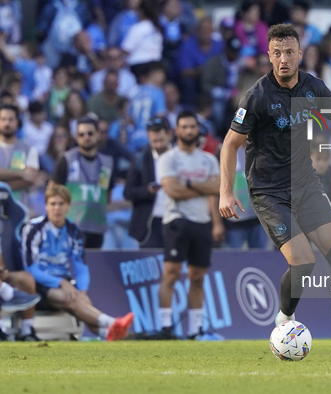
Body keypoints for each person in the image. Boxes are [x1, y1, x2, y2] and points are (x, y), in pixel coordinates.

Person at [219, 24, 331, 359]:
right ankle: (285, 318)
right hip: (269, 191)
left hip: (306, 183)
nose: (284, 59)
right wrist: (225, 193)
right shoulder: (257, 97)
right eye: (277, 53)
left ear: (300, 54)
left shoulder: (313, 87)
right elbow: (230, 145)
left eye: (290, 52)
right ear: (269, 56)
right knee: (303, 262)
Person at [21, 185, 133, 340]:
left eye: (61, 204)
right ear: (46, 206)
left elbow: (80, 266)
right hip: (39, 283)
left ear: (68, 206)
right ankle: (113, 322)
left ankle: (107, 333)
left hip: (64, 281)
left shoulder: (74, 230)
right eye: (53, 204)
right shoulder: (33, 228)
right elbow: (31, 269)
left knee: (81, 300)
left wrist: (82, 290)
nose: (57, 208)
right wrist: (60, 282)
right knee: (70, 298)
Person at [156, 110, 221, 339]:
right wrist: (203, 185)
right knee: (171, 274)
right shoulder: (169, 158)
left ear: (198, 129)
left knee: (198, 277)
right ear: (177, 130)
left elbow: (218, 189)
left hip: (202, 222)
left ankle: (195, 330)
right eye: (184, 127)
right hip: (177, 221)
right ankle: (165, 326)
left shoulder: (209, 159)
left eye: (192, 127)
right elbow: (172, 190)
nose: (189, 131)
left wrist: (189, 183)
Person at [49, 117, 114, 249]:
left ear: (98, 135)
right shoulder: (67, 159)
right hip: (71, 226)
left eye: (90, 133)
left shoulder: (107, 163)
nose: (86, 137)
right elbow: (52, 191)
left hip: (97, 228)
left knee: (92, 268)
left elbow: (107, 194)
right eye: (81, 134)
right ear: (76, 137)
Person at [124, 115, 173, 248]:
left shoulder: (179, 158)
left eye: (160, 137)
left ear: (169, 134)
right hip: (149, 225)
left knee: (175, 266)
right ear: (148, 136)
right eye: (154, 138)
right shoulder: (140, 158)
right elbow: (128, 192)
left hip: (175, 221)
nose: (157, 140)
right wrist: (148, 191)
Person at [0, 104, 40, 205]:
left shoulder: (29, 149)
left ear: (18, 122)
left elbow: (31, 178)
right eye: (3, 119)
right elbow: (26, 175)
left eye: (11, 119)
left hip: (19, 209)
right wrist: (20, 173)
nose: (7, 123)